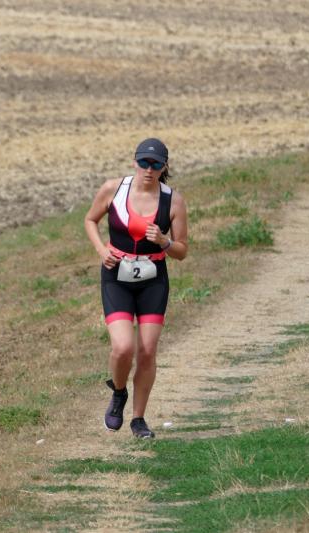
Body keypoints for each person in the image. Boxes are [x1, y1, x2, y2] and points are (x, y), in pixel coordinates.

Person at [84, 138, 188, 438]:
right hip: (116, 276)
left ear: (164, 167)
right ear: (134, 161)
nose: (149, 169)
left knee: (147, 350)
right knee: (122, 347)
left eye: (155, 165)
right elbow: (90, 220)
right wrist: (102, 251)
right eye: (144, 162)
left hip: (153, 280)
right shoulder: (113, 189)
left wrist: (164, 242)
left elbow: (182, 251)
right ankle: (119, 393)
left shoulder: (173, 201)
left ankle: (138, 420)